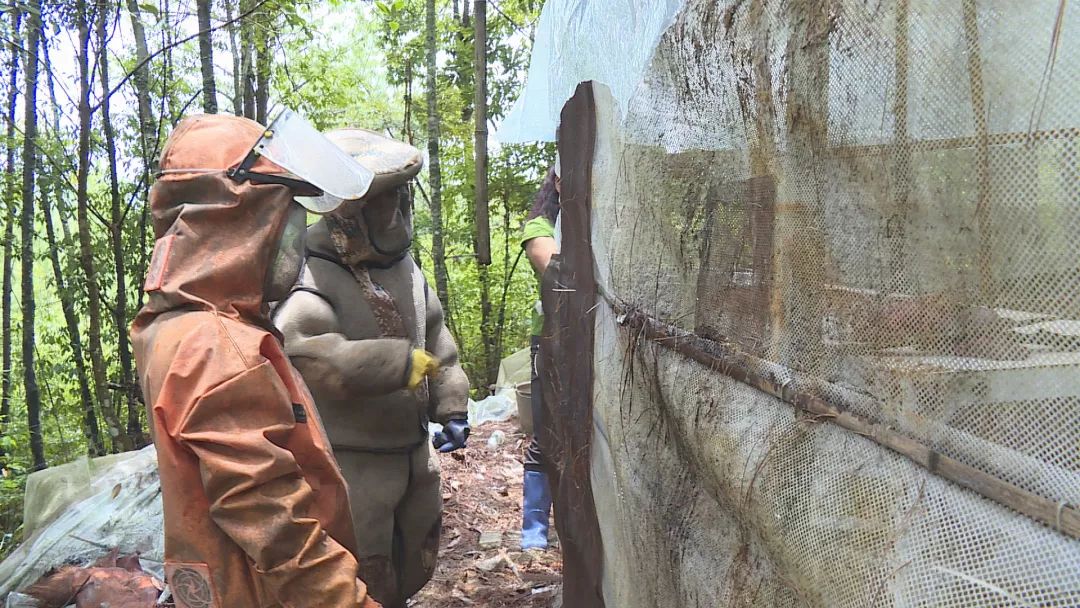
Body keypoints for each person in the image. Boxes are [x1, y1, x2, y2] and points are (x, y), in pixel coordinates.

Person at [130, 112, 382, 608]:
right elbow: (279, 531)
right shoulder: (216, 345)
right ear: (240, 220)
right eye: (285, 218)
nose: (293, 243)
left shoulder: (170, 325)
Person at [272, 128, 470, 608]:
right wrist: (396, 362)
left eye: (402, 198)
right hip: (352, 460)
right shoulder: (313, 275)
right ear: (348, 210)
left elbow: (438, 337)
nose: (400, 212)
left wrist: (451, 404)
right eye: (387, 201)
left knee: (415, 548)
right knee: (364, 559)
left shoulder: (407, 270)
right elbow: (308, 351)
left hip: (412, 452)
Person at [519, 159, 561, 550]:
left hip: (596, 342)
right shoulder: (540, 228)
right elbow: (554, 268)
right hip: (552, 340)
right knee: (547, 432)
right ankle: (534, 528)